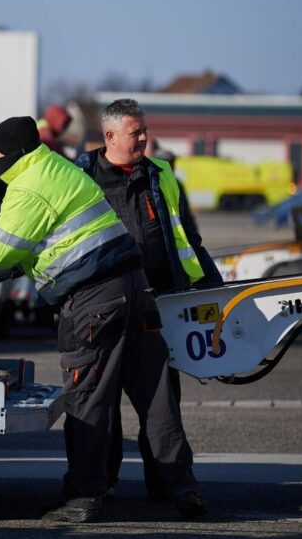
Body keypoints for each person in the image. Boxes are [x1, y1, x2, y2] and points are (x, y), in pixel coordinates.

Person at [0, 117, 199, 523]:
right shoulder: (58, 168)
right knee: (155, 394)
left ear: (11, 154)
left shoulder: (27, 189)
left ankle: (82, 499)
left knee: (87, 398)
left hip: (94, 301)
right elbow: (24, 251)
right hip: (135, 290)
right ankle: (181, 489)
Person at [76, 98, 216, 513]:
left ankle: (175, 486)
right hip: (97, 308)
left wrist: (211, 288)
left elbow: (187, 236)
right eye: (136, 131)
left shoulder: (161, 175)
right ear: (110, 136)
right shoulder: (80, 177)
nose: (144, 137)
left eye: (144, 130)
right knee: (99, 405)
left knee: (161, 403)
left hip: (155, 307)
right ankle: (101, 485)